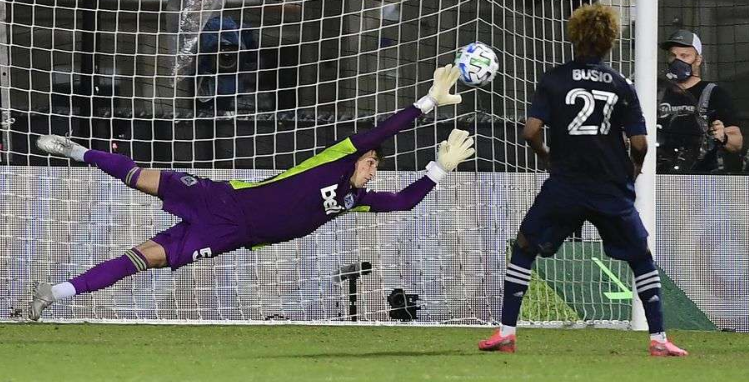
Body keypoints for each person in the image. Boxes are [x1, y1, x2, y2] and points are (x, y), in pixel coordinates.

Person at [28, 65, 475, 320]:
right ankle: (78, 150)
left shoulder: (352, 201)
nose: (375, 170)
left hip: (226, 234)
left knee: (140, 259)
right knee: (142, 176)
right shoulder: (336, 158)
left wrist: (440, 167)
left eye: (377, 166)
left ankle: (54, 294)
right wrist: (429, 102)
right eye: (373, 162)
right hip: (220, 198)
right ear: (358, 159)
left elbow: (403, 201)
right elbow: (385, 128)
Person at [478, 4, 687, 357]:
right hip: (610, 186)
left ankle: (507, 333)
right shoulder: (622, 85)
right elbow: (640, 143)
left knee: (525, 245)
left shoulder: (554, 79)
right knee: (640, 257)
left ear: (574, 36)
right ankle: (659, 339)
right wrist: (632, 173)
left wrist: (548, 159)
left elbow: (530, 132)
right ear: (610, 41)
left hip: (567, 184)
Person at [657, 29, 743, 174]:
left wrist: (723, 136)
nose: (677, 60)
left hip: (701, 177)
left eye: (684, 56)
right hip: (660, 176)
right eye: (673, 55)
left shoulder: (714, 93)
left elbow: (737, 142)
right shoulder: (658, 92)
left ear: (698, 59)